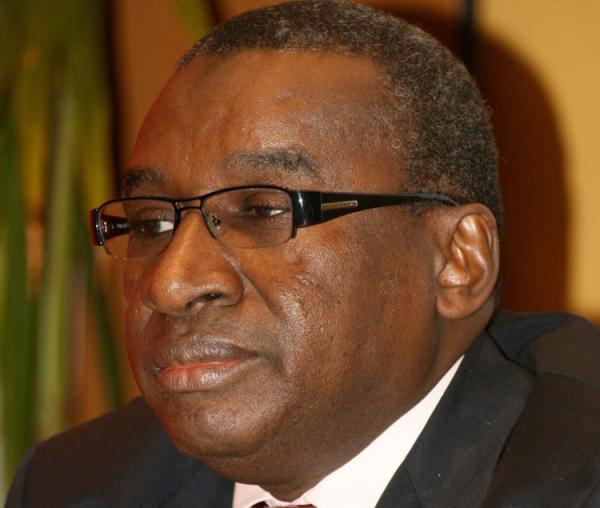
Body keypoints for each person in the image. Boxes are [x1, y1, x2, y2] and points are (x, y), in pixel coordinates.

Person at [6, 1, 600, 506]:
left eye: (263, 211)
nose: (171, 283)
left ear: (456, 260)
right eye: (150, 221)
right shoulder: (75, 484)